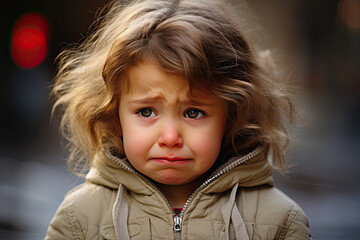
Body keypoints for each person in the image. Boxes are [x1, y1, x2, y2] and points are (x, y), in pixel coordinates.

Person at [45, 0, 311, 239]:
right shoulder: (79, 218)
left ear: (231, 118)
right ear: (115, 118)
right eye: (146, 111)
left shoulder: (278, 221)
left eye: (193, 113)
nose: (170, 137)